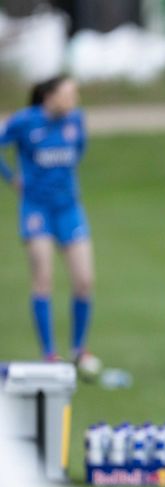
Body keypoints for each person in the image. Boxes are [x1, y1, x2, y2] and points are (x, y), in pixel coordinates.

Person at [0, 76, 101, 379]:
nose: (74, 100)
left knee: (84, 280)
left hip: (69, 208)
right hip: (36, 210)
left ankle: (79, 350)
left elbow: (78, 151)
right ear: (50, 96)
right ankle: (49, 354)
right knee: (43, 279)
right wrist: (12, 178)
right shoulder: (25, 122)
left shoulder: (76, 121)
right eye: (69, 94)